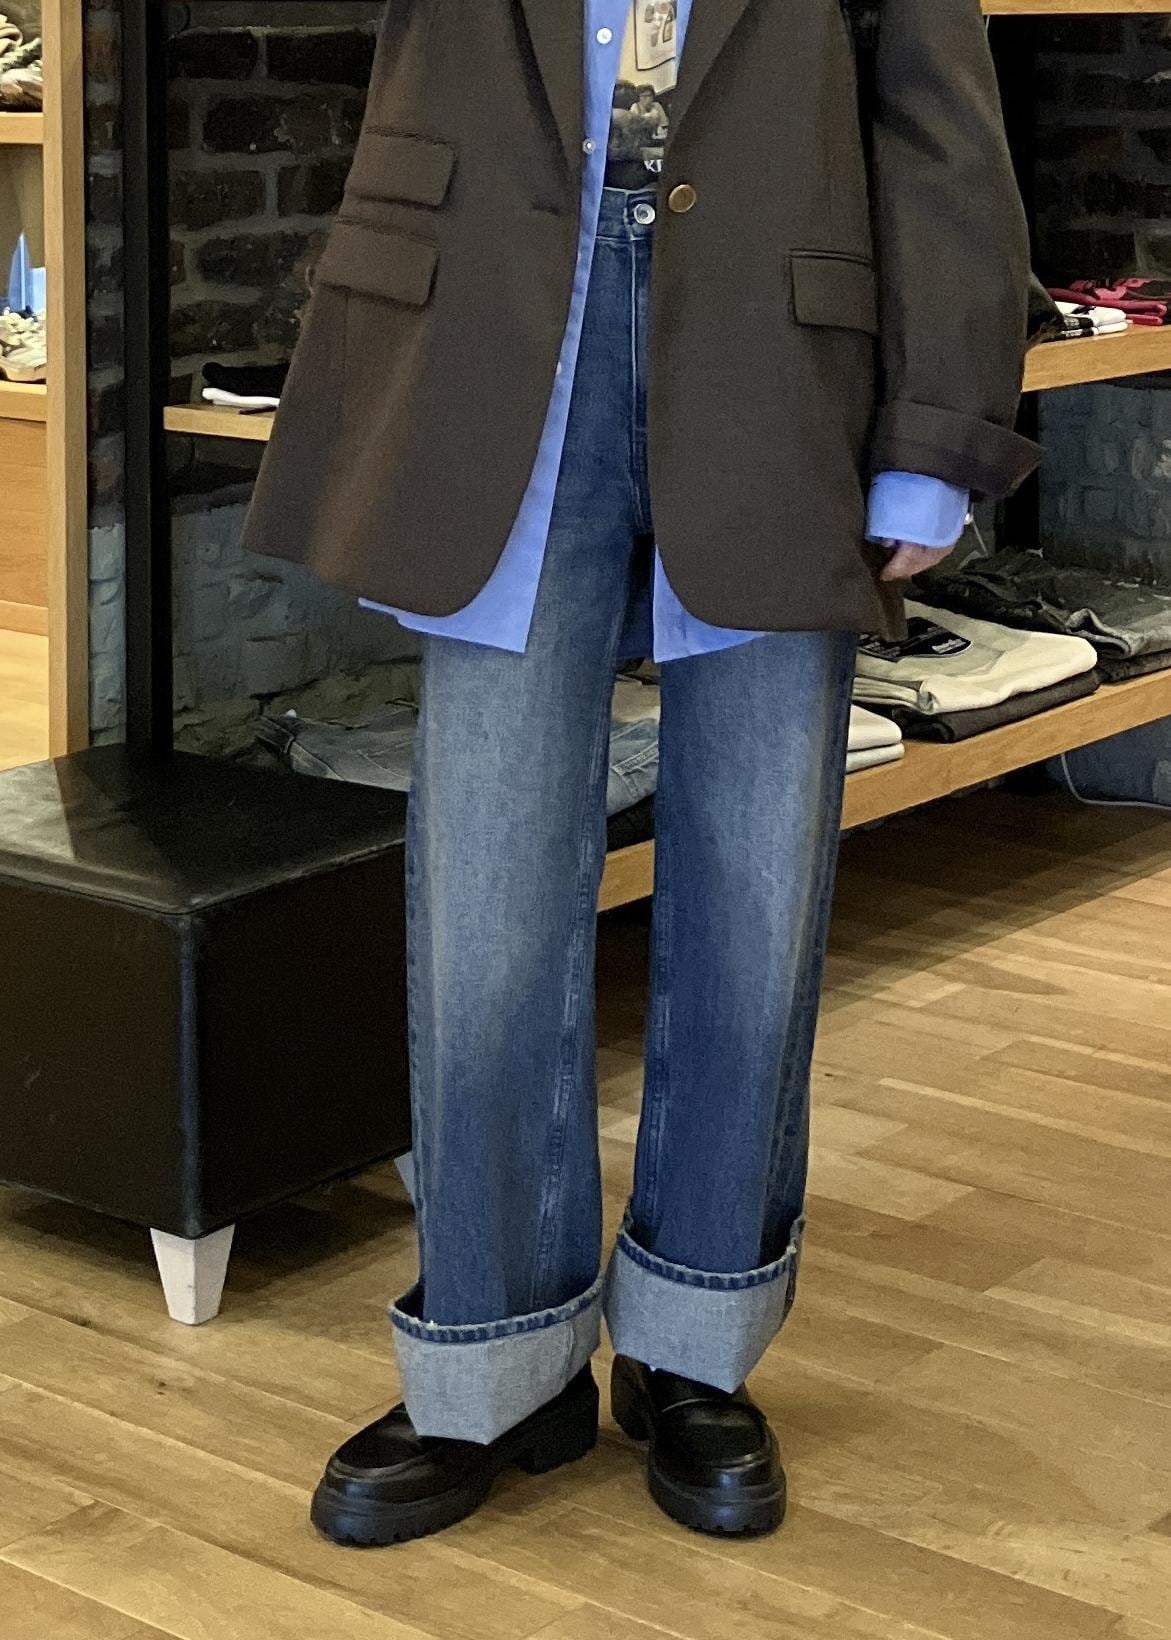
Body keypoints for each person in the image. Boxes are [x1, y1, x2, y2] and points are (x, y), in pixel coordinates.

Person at [243, 0, 1038, 1545]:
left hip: (782, 348)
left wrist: (936, 433)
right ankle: (493, 1361)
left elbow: (940, 115)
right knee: (483, 907)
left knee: (754, 892)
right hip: (492, 324)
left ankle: (694, 1345)